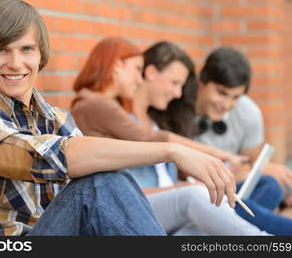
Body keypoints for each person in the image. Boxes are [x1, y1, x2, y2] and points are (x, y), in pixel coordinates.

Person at [0, 0, 237, 236]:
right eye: (1, 50)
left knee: (120, 186)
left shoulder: (58, 120)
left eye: (26, 49)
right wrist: (173, 151)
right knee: (99, 184)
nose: (16, 63)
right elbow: (47, 157)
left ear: (40, 55)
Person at [71, 37, 270, 235]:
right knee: (195, 198)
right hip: (120, 208)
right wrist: (208, 155)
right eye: (136, 70)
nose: (139, 80)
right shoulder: (95, 104)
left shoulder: (103, 106)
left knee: (207, 213)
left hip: (133, 204)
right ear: (116, 66)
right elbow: (151, 138)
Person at [145, 43, 292, 235]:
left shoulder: (247, 112)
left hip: (230, 190)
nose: (227, 104)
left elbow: (254, 166)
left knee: (271, 187)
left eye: (235, 97)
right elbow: (180, 171)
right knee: (238, 204)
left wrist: (269, 174)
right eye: (221, 93)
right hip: (197, 189)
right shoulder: (174, 104)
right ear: (201, 81)